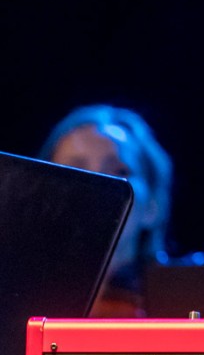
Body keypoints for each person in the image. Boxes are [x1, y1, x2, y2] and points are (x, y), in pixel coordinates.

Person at [39, 104, 174, 318]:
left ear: (153, 205)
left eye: (119, 171)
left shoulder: (185, 304)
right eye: (75, 171)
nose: (98, 186)